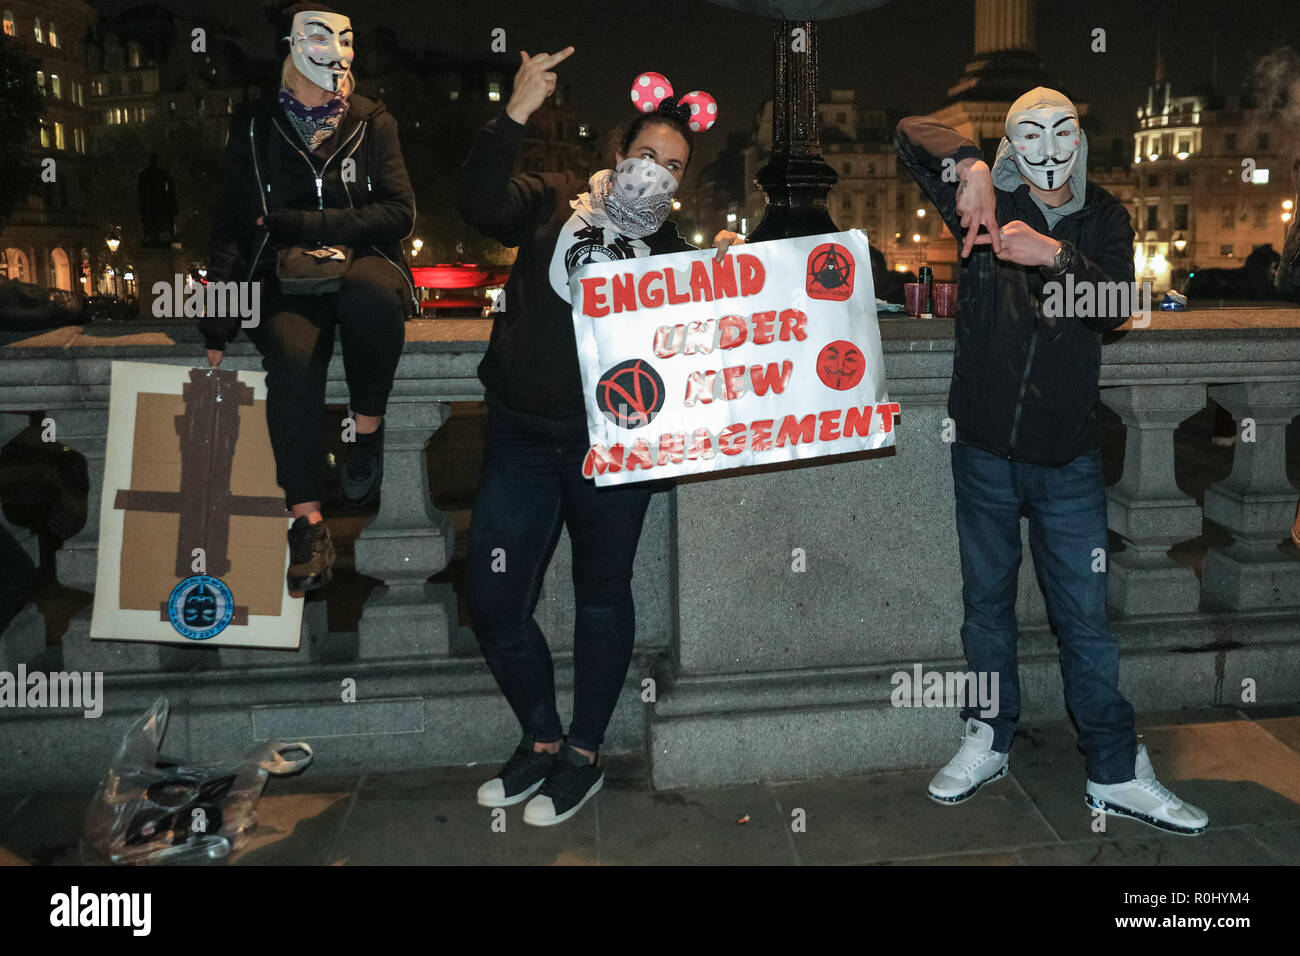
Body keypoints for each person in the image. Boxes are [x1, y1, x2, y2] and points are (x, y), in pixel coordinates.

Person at [895, 87, 1209, 835]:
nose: (1045, 148)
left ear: (1081, 137)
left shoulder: (1105, 215)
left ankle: (1113, 770)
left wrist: (1054, 255)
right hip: (982, 449)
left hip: (1067, 456)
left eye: (1061, 130)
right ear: (1010, 144)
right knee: (986, 610)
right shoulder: (984, 198)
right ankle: (986, 738)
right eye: (1025, 135)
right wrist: (967, 165)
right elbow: (911, 129)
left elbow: (1117, 307)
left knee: (1087, 623)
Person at [457, 52, 738, 826]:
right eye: (646, 155)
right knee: (493, 594)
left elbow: (702, 360)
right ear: (617, 155)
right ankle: (539, 739)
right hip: (519, 435)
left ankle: (583, 753)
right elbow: (478, 202)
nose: (656, 172)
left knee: (602, 596)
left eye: (673, 165)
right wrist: (515, 112)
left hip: (612, 451)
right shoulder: (552, 202)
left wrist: (725, 287)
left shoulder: (676, 256)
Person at [201, 3, 417, 593]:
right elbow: (230, 223)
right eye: (322, 41)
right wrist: (217, 316)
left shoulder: (375, 123)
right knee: (292, 364)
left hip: (365, 264)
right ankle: (307, 522)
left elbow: (400, 213)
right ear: (292, 48)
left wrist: (309, 224)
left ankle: (365, 434)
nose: (338, 57)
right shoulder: (251, 125)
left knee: (374, 298)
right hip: (280, 277)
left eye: (346, 43)